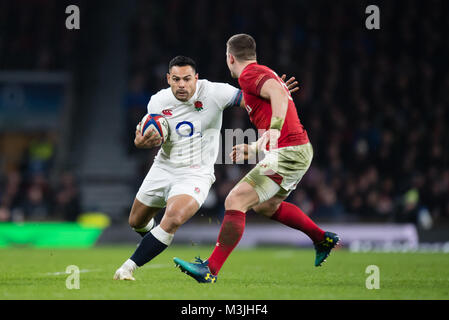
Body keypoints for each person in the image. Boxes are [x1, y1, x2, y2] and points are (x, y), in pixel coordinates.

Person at [113, 55, 298, 280]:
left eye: (187, 79)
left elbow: (247, 98)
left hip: (195, 173)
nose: (182, 84)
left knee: (173, 218)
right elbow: (145, 134)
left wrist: (274, 93)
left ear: (196, 78)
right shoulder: (157, 102)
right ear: (168, 79)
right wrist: (140, 142)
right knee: (136, 222)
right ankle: (156, 239)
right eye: (176, 79)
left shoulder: (214, 92)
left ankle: (128, 267)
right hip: (163, 167)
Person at [174, 34, 340, 283]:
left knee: (236, 199)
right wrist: (253, 149)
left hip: (289, 150)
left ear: (230, 58)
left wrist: (275, 122)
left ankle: (210, 269)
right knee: (266, 206)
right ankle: (322, 239)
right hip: (293, 149)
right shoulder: (260, 75)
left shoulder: (249, 74)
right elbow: (275, 99)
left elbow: (278, 97)